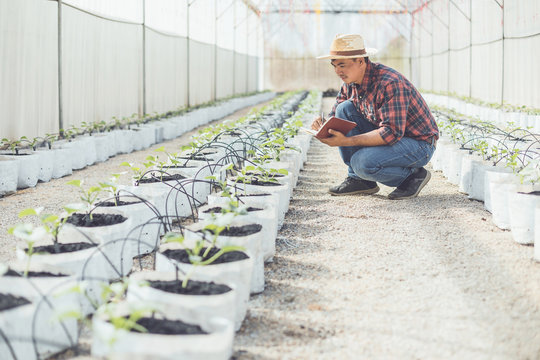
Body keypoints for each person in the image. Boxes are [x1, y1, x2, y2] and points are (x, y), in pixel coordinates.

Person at [312, 34, 439, 200]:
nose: (337, 71)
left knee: (362, 163)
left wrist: (347, 141)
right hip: (393, 137)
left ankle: (412, 177)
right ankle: (361, 181)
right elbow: (336, 113)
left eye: (342, 65)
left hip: (418, 144)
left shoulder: (390, 82)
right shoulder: (350, 83)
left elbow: (391, 133)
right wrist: (324, 125)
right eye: (334, 65)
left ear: (361, 61)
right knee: (344, 109)